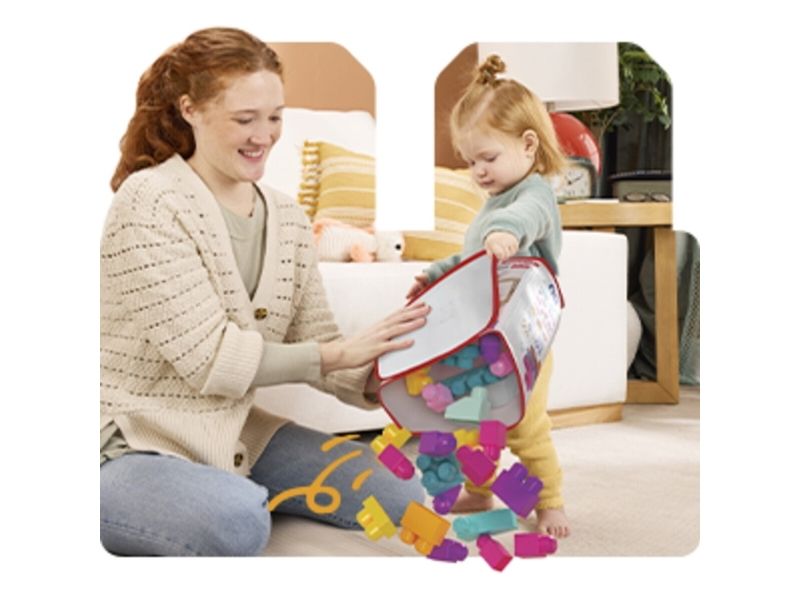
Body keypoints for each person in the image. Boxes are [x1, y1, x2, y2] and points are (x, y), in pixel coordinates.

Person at [100, 27, 428, 556]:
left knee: (399, 493)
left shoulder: (288, 217)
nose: (264, 136)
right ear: (191, 110)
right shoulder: (150, 202)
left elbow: (318, 339)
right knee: (237, 524)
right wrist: (339, 354)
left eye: (275, 117)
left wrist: (400, 368)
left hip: (231, 431)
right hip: (131, 439)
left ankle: (213, 489)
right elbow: (211, 360)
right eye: (245, 119)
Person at [406, 54, 570, 538]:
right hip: (484, 341)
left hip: (523, 346)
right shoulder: (492, 204)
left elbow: (523, 221)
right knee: (472, 419)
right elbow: (470, 262)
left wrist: (505, 233)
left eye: (488, 158)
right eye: (470, 161)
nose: (478, 170)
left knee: (524, 426)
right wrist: (435, 275)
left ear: (528, 144)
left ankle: (551, 502)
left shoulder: (533, 196)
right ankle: (479, 490)